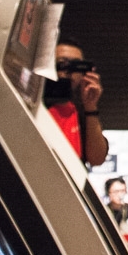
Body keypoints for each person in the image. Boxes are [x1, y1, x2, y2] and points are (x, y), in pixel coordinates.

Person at [44, 38, 108, 167]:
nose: (69, 72)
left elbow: (97, 159)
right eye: (62, 64)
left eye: (75, 65)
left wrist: (91, 106)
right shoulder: (33, 103)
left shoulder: (81, 112)